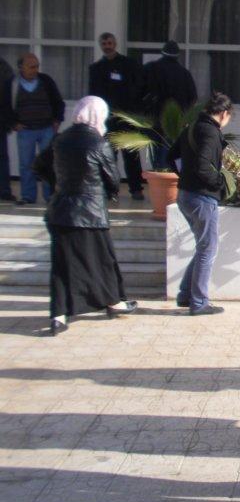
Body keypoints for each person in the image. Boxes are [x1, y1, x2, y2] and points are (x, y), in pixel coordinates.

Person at [42, 96, 136, 336]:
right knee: (104, 261)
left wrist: (59, 184)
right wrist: (109, 193)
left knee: (62, 266)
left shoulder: (60, 139)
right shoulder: (98, 143)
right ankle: (114, 302)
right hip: (90, 213)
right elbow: (112, 178)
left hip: (61, 211)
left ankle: (58, 316)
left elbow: (40, 166)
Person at [168, 92, 232, 316]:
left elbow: (171, 156)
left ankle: (186, 294)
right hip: (202, 197)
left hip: (185, 195)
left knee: (203, 246)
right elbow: (203, 166)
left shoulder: (192, 127)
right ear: (224, 114)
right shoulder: (211, 132)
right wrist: (219, 184)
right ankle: (199, 302)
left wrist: (185, 177)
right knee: (208, 248)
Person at [88, 33, 145, 200]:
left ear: (115, 43)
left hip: (127, 118)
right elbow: (93, 94)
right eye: (104, 43)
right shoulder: (96, 68)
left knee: (131, 156)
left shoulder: (129, 64)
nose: (107, 46)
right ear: (101, 45)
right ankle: (110, 190)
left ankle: (136, 188)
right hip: (107, 120)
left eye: (110, 43)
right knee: (108, 157)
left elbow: (139, 88)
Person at [6, 53, 64, 205]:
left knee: (49, 163)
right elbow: (5, 105)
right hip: (25, 130)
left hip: (47, 128)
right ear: (21, 67)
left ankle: (50, 196)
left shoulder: (46, 80)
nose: (35, 70)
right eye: (31, 67)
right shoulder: (13, 84)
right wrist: (14, 123)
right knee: (26, 164)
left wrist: (57, 119)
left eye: (37, 66)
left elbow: (58, 101)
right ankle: (28, 196)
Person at [142, 40, 197, 169]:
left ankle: (158, 172)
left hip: (153, 118)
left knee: (155, 152)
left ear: (163, 53)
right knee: (170, 152)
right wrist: (185, 114)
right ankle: (166, 173)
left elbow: (139, 90)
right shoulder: (184, 73)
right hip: (175, 121)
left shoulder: (151, 68)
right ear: (177, 55)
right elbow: (193, 97)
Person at [0, 55, 17, 202]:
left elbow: (7, 99)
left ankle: (4, 190)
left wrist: (10, 120)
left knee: (2, 158)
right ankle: (4, 190)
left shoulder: (3, 68)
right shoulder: (4, 67)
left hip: (1, 120)